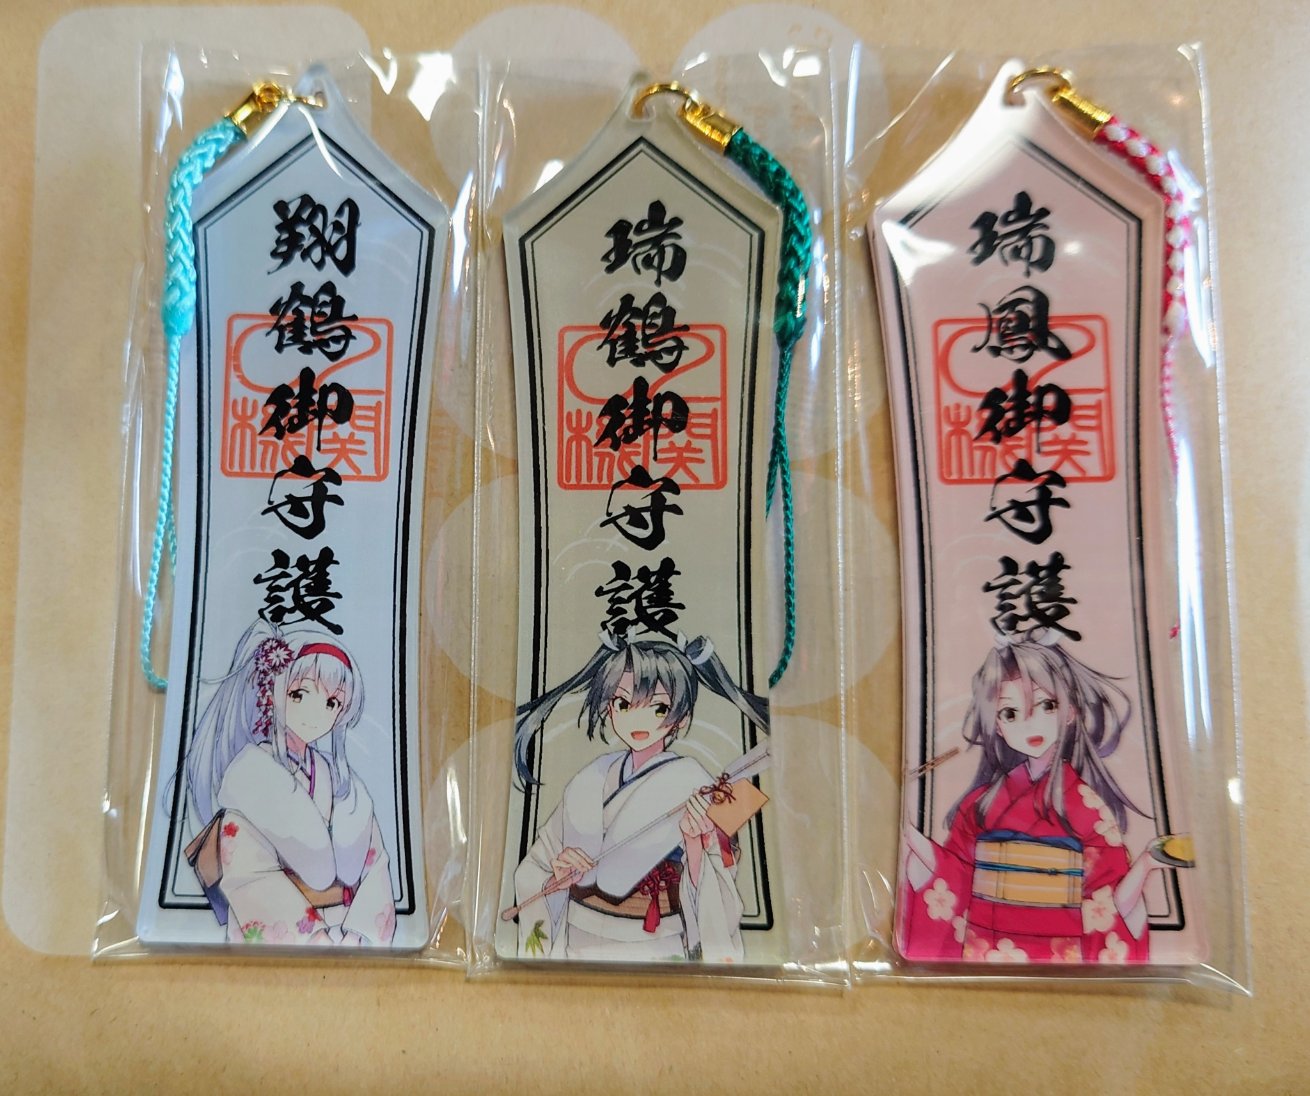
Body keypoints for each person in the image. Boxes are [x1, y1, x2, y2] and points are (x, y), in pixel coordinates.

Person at [899, 632, 1168, 964]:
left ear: (1070, 712)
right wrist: (907, 831)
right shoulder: (982, 804)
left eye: (1047, 705)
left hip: (1060, 952)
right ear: (997, 726)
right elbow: (953, 875)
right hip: (984, 946)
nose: (1030, 723)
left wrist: (1146, 864)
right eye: (1010, 713)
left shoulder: (1088, 809)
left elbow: (1107, 898)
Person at [510, 634, 767, 962]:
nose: (638, 719)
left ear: (682, 718)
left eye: (658, 708)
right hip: (579, 934)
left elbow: (721, 878)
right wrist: (556, 875)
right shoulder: (590, 778)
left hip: (656, 941)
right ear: (609, 707)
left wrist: (695, 842)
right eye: (623, 704)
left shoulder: (698, 783)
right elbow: (535, 866)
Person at [182, 621, 395, 946]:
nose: (317, 713)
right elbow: (250, 876)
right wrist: (318, 941)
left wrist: (359, 937)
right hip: (289, 939)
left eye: (332, 703)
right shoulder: (250, 778)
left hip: (348, 936)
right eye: (299, 694)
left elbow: (374, 862)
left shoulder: (340, 784)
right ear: (273, 694)